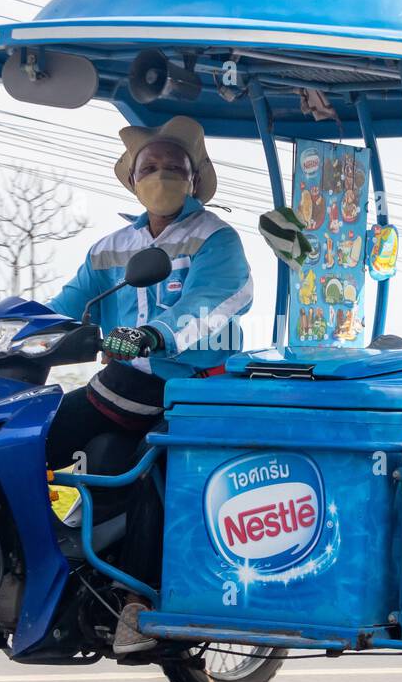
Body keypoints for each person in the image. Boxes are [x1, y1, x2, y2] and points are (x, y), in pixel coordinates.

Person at [44, 115, 252, 654]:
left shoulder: (216, 240)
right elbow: (66, 308)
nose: (161, 175)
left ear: (193, 178)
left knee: (159, 474)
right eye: (150, 167)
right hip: (121, 388)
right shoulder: (111, 247)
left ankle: (138, 607)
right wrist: (11, 330)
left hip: (193, 395)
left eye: (173, 168)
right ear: (132, 180)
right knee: (32, 435)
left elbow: (211, 305)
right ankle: (34, 555)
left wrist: (154, 336)